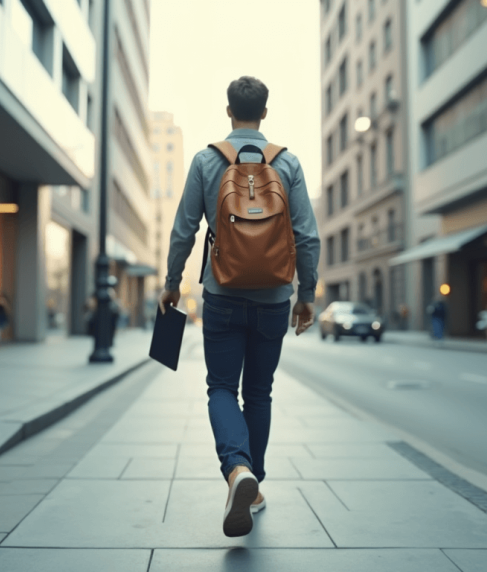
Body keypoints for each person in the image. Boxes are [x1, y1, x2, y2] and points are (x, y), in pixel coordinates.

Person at [158, 76, 320, 538]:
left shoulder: (206, 161)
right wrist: (306, 295)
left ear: (228, 111)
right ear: (264, 113)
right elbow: (307, 236)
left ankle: (237, 470)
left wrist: (172, 284)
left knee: (222, 389)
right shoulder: (287, 163)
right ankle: (255, 484)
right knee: (260, 393)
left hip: (222, 296)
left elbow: (184, 231)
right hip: (274, 299)